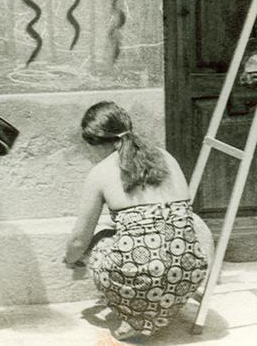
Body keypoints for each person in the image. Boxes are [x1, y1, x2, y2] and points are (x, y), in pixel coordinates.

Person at [63, 102, 209, 340]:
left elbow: (79, 240)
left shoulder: (100, 172)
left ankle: (133, 317)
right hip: (188, 275)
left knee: (99, 242)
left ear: (97, 143)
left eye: (89, 147)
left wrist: (70, 260)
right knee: (165, 237)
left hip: (143, 277)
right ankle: (157, 309)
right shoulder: (166, 157)